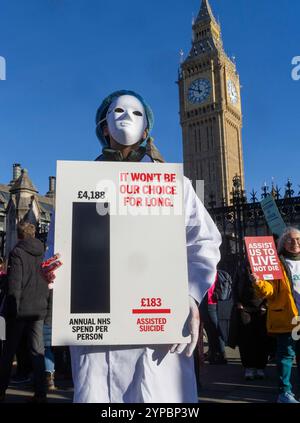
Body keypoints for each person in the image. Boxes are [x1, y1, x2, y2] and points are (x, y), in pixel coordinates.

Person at [48, 90, 222, 403]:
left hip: (158, 335)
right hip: (97, 341)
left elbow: (204, 244)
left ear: (146, 131)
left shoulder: (173, 187)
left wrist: (191, 296)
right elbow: (57, 253)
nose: (126, 117)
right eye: (118, 111)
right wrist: (54, 274)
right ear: (103, 127)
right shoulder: (78, 187)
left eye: (136, 113)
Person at [0, 221, 51, 403]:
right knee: (37, 352)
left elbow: (15, 285)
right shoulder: (41, 251)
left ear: (20, 234)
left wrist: (11, 312)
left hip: (20, 310)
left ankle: (1, 390)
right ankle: (41, 393)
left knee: (8, 352)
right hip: (38, 308)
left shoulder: (17, 252)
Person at [252, 227, 300, 403]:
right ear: (283, 243)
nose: (295, 243)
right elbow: (269, 291)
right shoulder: (275, 263)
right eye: (290, 239)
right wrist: (258, 282)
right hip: (287, 317)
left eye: (297, 239)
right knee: (286, 356)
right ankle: (284, 392)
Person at [231, 260, 270, 380]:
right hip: (245, 308)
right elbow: (235, 285)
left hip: (262, 308)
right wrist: (237, 302)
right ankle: (249, 367)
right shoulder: (241, 265)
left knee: (262, 338)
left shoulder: (266, 264)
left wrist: (267, 304)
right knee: (246, 339)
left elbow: (273, 285)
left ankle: (260, 367)